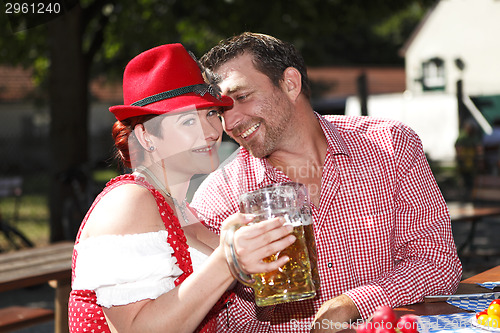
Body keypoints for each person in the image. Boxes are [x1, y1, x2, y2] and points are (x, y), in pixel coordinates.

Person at [191, 32, 463, 332]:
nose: (230, 123)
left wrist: (348, 305)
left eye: (242, 97)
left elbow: (436, 263)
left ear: (290, 84)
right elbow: (225, 321)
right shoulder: (219, 197)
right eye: (220, 110)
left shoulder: (389, 146)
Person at [68, 43, 297, 333]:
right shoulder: (129, 201)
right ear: (145, 135)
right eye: (188, 120)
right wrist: (229, 260)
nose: (212, 132)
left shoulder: (185, 209)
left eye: (212, 114)